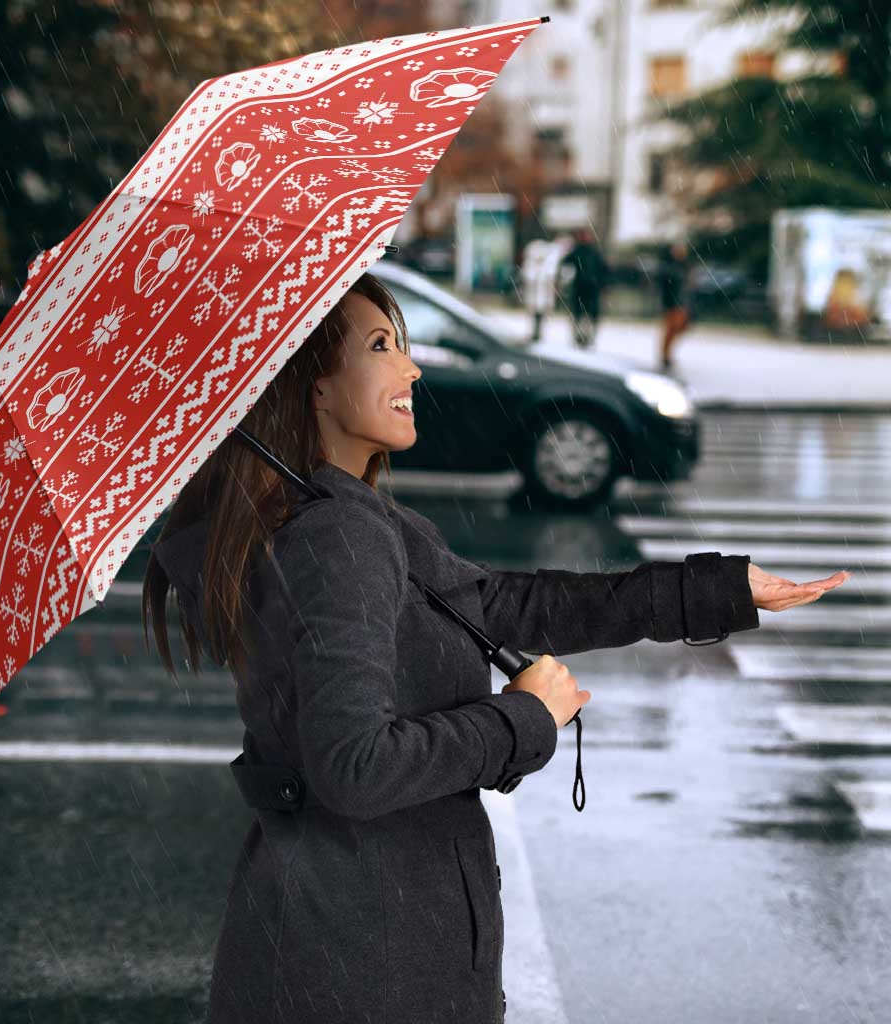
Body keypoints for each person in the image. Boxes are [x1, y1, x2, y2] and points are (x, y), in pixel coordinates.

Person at [142, 271, 834, 1024]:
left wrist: (717, 591)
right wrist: (525, 719)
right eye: (381, 346)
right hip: (367, 963)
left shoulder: (335, 518)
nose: (410, 368)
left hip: (342, 942)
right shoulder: (336, 537)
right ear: (312, 386)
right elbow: (355, 768)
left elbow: (504, 605)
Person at [559, 226, 609, 349]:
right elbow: (565, 264)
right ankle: (580, 337)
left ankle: (586, 337)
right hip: (582, 288)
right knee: (580, 314)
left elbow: (603, 270)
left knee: (587, 315)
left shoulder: (592, 252)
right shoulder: (579, 251)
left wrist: (602, 284)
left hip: (590, 288)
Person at [657, 239, 693, 371]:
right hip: (672, 303)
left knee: (679, 328)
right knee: (671, 329)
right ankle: (665, 355)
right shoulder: (669, 267)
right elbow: (666, 286)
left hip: (681, 303)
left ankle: (667, 354)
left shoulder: (684, 266)